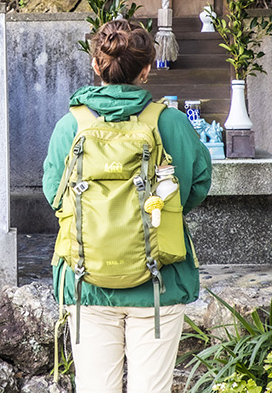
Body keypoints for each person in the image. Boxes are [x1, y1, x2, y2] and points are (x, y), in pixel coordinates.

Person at [42, 19, 212, 393]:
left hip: (86, 280)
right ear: (147, 69)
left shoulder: (70, 126)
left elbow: (54, 194)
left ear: (96, 65)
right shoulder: (172, 123)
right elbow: (197, 187)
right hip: (159, 280)